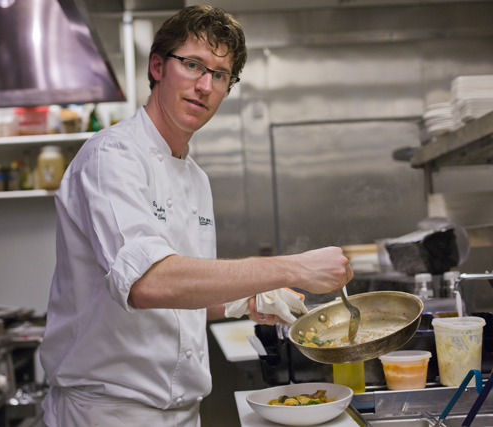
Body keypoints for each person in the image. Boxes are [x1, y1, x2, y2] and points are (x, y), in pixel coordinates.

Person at [39, 5, 353, 426]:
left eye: (220, 75)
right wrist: (293, 268)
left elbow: (181, 295)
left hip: (184, 413)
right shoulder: (111, 157)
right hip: (107, 413)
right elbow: (148, 284)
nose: (205, 86)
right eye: (192, 65)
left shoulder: (196, 178)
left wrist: (247, 299)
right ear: (157, 67)